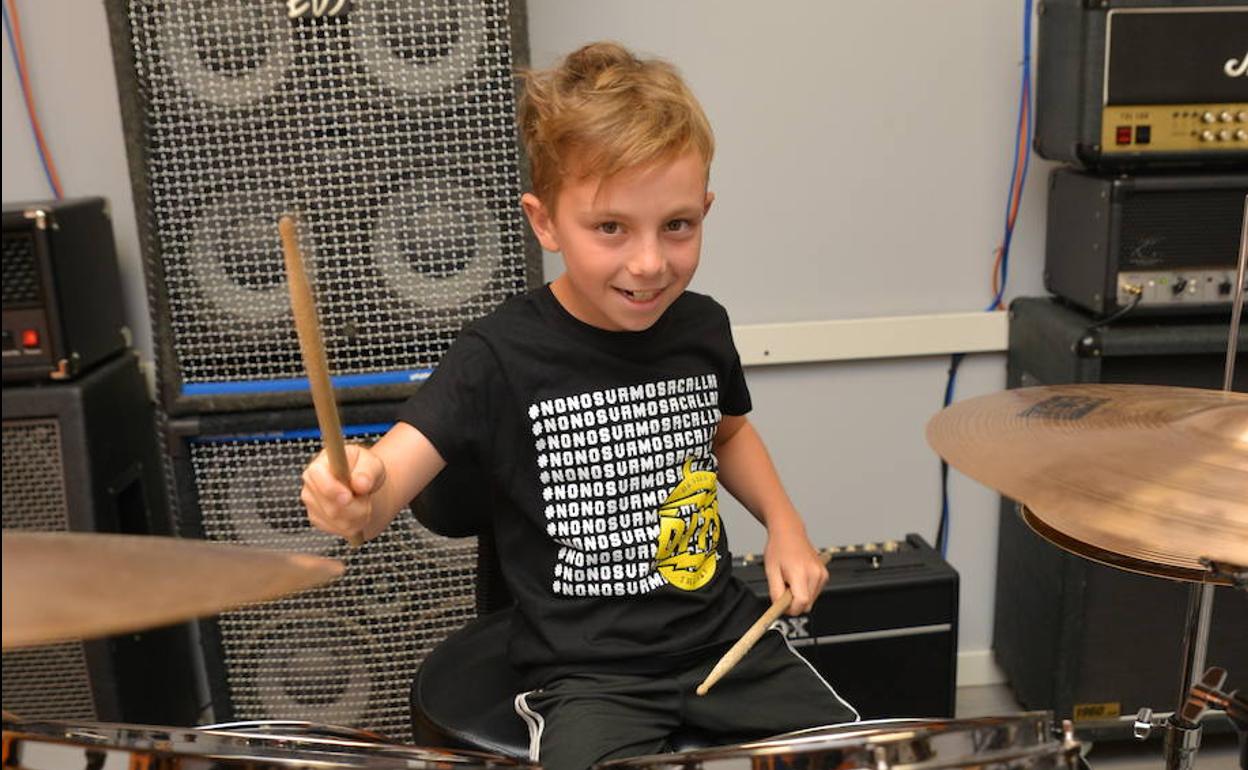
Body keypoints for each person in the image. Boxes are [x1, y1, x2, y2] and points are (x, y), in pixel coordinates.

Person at [300, 40, 858, 770]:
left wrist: (786, 527)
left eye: (678, 225)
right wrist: (351, 495)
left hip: (725, 636)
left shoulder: (701, 326)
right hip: (590, 675)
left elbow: (728, 434)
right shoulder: (495, 354)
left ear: (706, 210)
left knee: (852, 756)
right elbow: (385, 479)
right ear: (545, 222)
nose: (651, 262)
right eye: (611, 228)